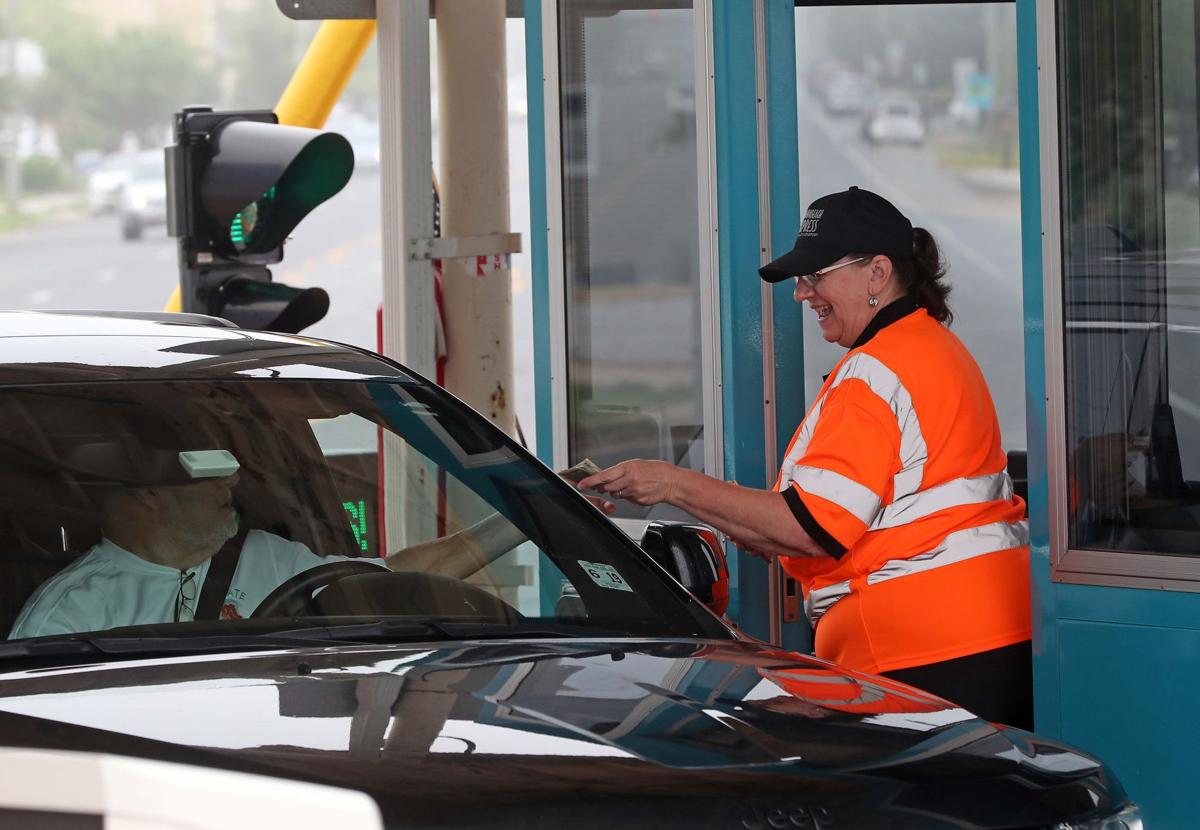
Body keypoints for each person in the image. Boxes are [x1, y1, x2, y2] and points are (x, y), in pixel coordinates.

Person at [578, 186, 1032, 728]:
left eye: (816, 275)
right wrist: (750, 522)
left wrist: (672, 485)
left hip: (919, 650)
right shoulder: (929, 348)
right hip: (985, 635)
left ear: (877, 273)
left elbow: (811, 528)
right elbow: (848, 518)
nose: (801, 293)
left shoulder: (877, 372)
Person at [9, 446, 531, 640]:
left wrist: (533, 511)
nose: (232, 482)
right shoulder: (71, 611)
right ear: (149, 495)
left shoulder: (266, 555)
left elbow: (399, 578)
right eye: (209, 473)